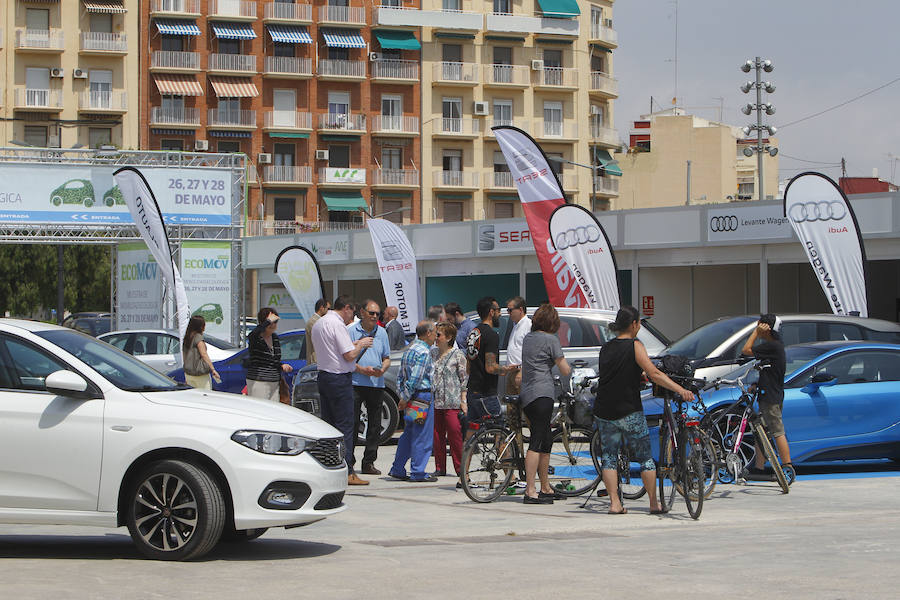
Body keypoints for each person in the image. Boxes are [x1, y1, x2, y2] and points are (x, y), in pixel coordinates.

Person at [594, 305, 694, 515]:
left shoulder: (607, 347)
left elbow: (613, 374)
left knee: (609, 457)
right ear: (634, 324)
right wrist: (680, 389)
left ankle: (615, 504)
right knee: (645, 458)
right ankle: (653, 503)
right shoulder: (635, 345)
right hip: (629, 409)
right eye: (639, 322)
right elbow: (654, 374)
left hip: (604, 409)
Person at [311, 295, 374, 486]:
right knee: (345, 425)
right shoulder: (337, 324)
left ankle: (329, 465)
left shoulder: (320, 323)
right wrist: (361, 344)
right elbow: (348, 355)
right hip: (339, 378)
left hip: (324, 376)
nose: (352, 317)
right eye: (352, 312)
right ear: (346, 308)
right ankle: (347, 470)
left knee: (328, 425)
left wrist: (354, 346)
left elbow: (336, 350)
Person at [519, 305, 570, 504]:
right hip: (543, 394)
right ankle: (530, 490)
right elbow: (564, 369)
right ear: (552, 322)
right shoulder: (551, 340)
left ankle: (546, 487)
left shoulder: (528, 338)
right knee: (537, 441)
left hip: (528, 395)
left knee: (546, 439)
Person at [741, 313, 791, 480]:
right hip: (769, 393)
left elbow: (746, 350)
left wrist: (755, 333)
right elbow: (771, 371)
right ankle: (759, 467)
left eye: (760, 326)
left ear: (766, 328)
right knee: (760, 431)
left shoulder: (773, 345)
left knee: (777, 430)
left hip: (770, 397)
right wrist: (757, 384)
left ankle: (787, 468)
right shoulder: (774, 346)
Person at [390, 320, 438, 482]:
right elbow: (416, 377)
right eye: (435, 332)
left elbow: (401, 376)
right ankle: (418, 472)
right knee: (422, 436)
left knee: (409, 433)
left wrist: (404, 395)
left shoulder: (410, 349)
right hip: (422, 397)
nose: (436, 336)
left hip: (412, 397)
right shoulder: (424, 352)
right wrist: (405, 396)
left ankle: (397, 468)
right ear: (428, 333)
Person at [349, 299, 391, 476]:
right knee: (352, 423)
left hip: (376, 384)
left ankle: (369, 462)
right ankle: (348, 463)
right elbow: (346, 358)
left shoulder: (382, 333)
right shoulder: (351, 331)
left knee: (375, 425)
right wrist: (362, 370)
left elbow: (386, 357)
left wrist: (383, 369)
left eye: (377, 314)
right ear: (362, 313)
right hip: (356, 383)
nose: (375, 317)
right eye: (371, 313)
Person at [465, 297, 516, 438]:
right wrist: (506, 370)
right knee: (500, 432)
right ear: (491, 312)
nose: (500, 314)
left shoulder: (473, 333)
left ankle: (464, 460)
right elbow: (491, 367)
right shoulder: (491, 335)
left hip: (473, 391)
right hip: (486, 393)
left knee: (470, 434)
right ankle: (504, 460)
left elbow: (468, 366)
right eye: (498, 310)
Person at [431, 321, 467, 479]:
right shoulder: (433, 354)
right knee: (437, 435)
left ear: (449, 337)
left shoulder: (458, 355)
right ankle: (440, 467)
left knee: (454, 434)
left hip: (452, 402)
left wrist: (463, 399)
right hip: (437, 401)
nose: (436, 338)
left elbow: (464, 379)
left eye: (439, 335)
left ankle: (460, 468)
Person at [246, 308, 293, 402]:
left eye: (275, 322)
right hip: (259, 381)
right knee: (260, 411)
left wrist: (282, 365)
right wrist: (268, 321)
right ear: (263, 322)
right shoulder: (256, 338)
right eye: (270, 322)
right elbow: (253, 334)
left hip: (274, 381)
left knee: (272, 413)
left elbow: (274, 359)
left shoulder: (275, 338)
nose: (273, 324)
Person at [182, 315, 220, 390]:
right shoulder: (198, 337)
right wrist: (213, 369)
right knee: (205, 395)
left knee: (192, 396)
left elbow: (184, 355)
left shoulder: (187, 338)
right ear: (200, 326)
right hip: (200, 373)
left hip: (188, 373)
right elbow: (204, 354)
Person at [505, 296, 531, 394]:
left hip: (521, 372)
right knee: (511, 406)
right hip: (512, 371)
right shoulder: (516, 326)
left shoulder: (528, 325)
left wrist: (522, 371)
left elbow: (531, 352)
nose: (508, 313)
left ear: (520, 309)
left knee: (522, 405)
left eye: (510, 310)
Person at [305, 298, 329, 364]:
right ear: (321, 308)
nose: (329, 312)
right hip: (315, 360)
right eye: (327, 308)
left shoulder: (320, 321)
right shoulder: (313, 322)